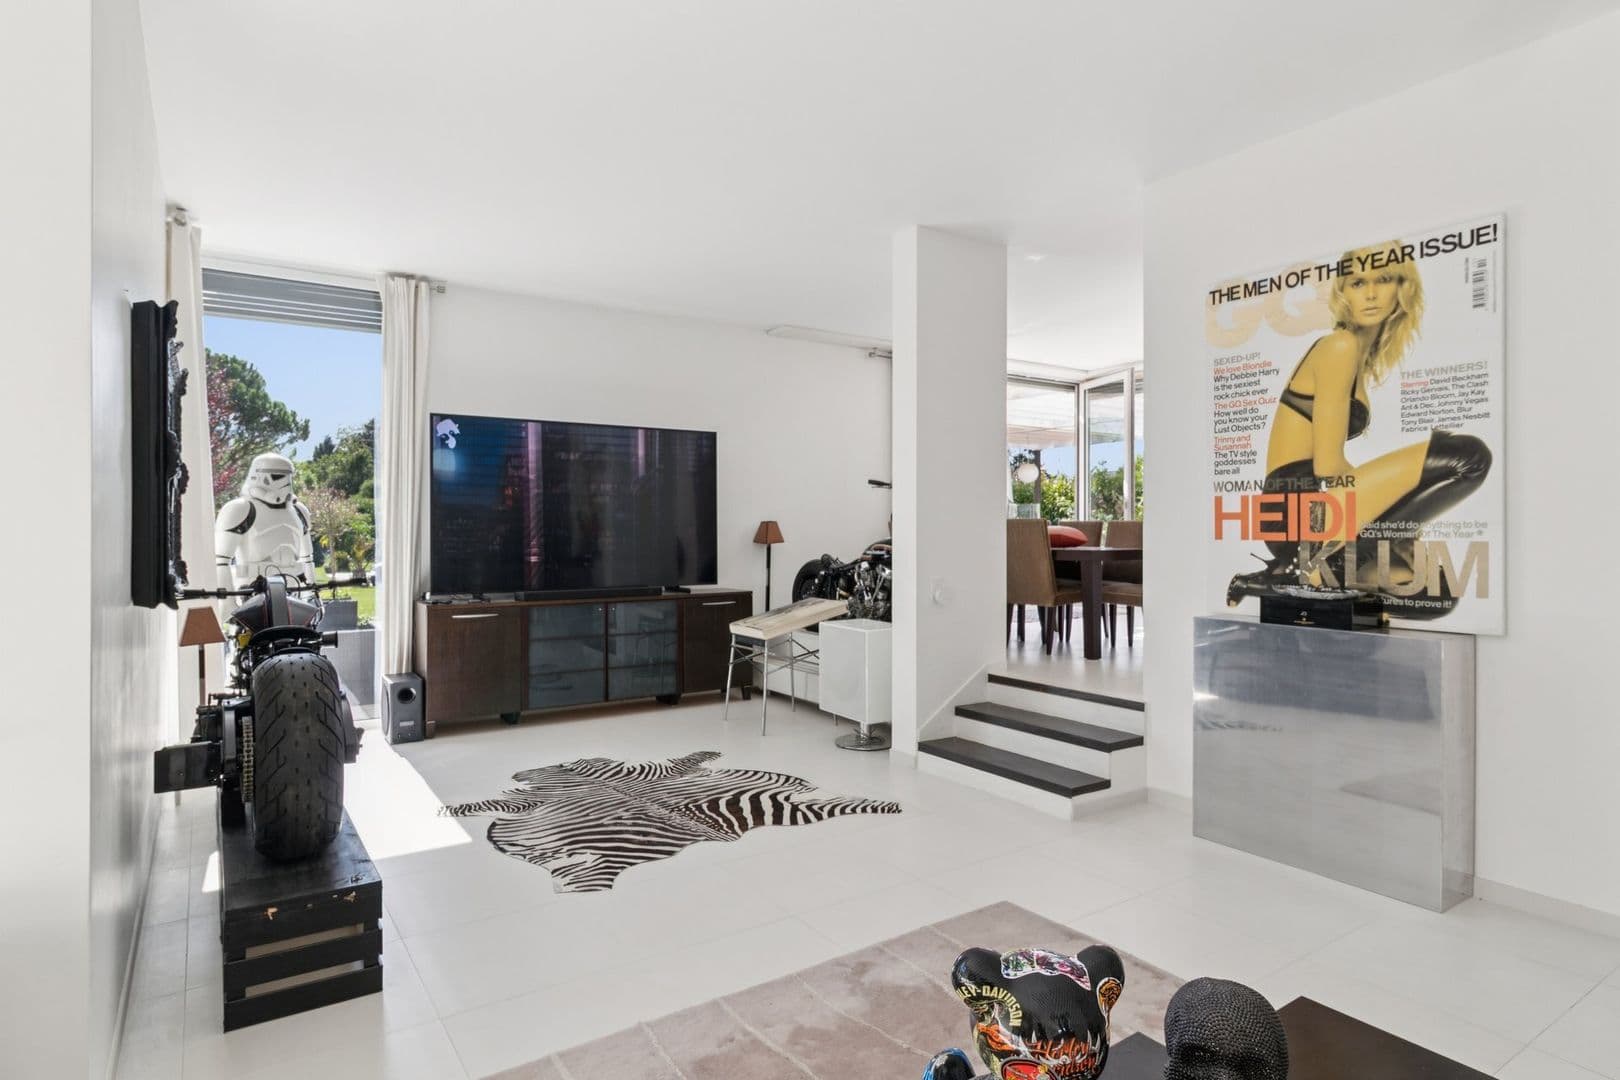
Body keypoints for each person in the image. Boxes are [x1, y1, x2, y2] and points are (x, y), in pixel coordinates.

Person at [1226, 244, 1491, 616]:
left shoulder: (1358, 354)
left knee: (1435, 594)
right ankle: (1316, 570)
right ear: (1343, 292)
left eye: (1383, 279)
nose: (1370, 294)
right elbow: (1328, 465)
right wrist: (1396, 519)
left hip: (1307, 514)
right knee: (1468, 457)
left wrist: (1396, 521)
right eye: (1357, 283)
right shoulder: (1340, 345)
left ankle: (1292, 580)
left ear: (1402, 287)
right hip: (1297, 506)